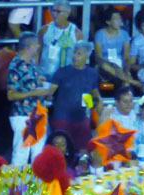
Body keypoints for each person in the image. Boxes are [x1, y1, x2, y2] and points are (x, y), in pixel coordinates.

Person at [7, 33, 56, 166]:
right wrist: (35, 92)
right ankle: (16, 180)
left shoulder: (31, 65)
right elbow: (11, 95)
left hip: (38, 113)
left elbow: (28, 84)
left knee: (39, 155)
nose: (39, 47)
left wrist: (39, 83)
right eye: (36, 45)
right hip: (23, 114)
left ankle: (37, 179)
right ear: (29, 47)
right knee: (21, 154)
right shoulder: (16, 66)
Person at [49, 40, 99, 150]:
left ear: (87, 57)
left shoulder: (92, 73)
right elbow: (50, 92)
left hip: (82, 118)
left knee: (84, 150)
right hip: (62, 118)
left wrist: (96, 103)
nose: (75, 56)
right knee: (60, 150)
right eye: (75, 53)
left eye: (79, 54)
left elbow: (94, 94)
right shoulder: (62, 71)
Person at [94, 10, 139, 89]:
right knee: (105, 66)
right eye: (116, 18)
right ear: (108, 22)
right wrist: (113, 65)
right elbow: (98, 58)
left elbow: (126, 57)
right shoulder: (100, 34)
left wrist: (126, 70)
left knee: (126, 83)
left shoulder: (124, 34)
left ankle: (126, 83)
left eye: (120, 18)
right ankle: (136, 83)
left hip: (120, 65)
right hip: (105, 66)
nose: (119, 21)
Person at [39, 1, 83, 78]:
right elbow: (37, 53)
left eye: (58, 12)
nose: (54, 14)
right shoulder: (44, 30)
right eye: (53, 10)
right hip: (45, 75)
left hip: (67, 77)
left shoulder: (76, 33)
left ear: (67, 14)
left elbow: (80, 57)